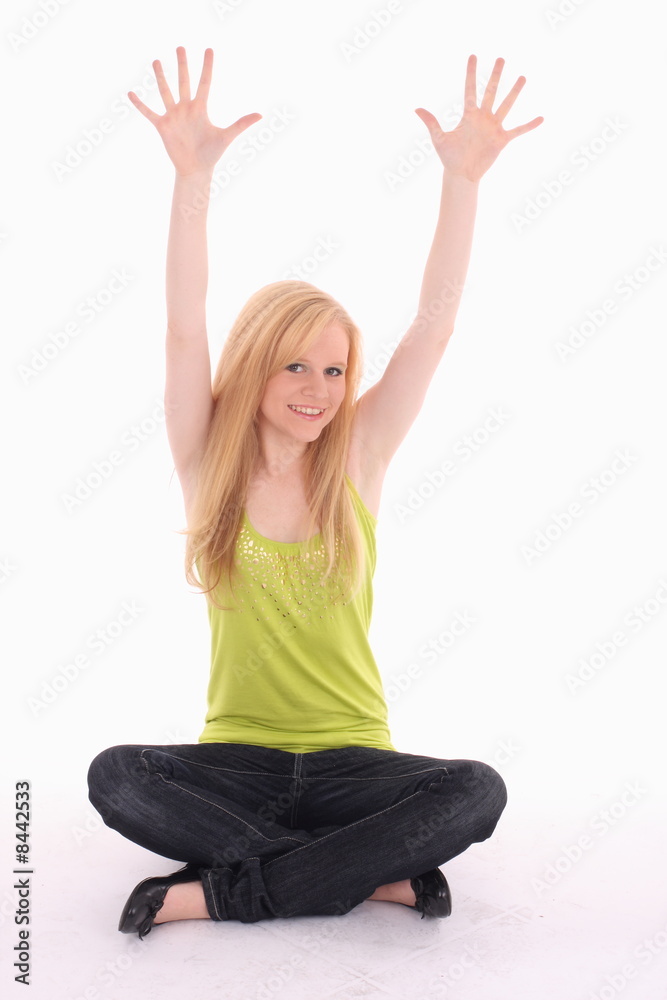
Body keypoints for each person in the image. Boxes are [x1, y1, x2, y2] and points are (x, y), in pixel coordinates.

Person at [87, 46, 543, 938]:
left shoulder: (359, 455)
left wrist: (462, 182)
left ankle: (223, 888)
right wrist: (191, 179)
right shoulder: (204, 456)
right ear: (256, 363)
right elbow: (185, 326)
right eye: (295, 363)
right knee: (115, 775)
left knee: (474, 792)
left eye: (333, 368)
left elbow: (434, 325)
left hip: (354, 767)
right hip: (235, 761)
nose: (316, 387)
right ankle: (367, 876)